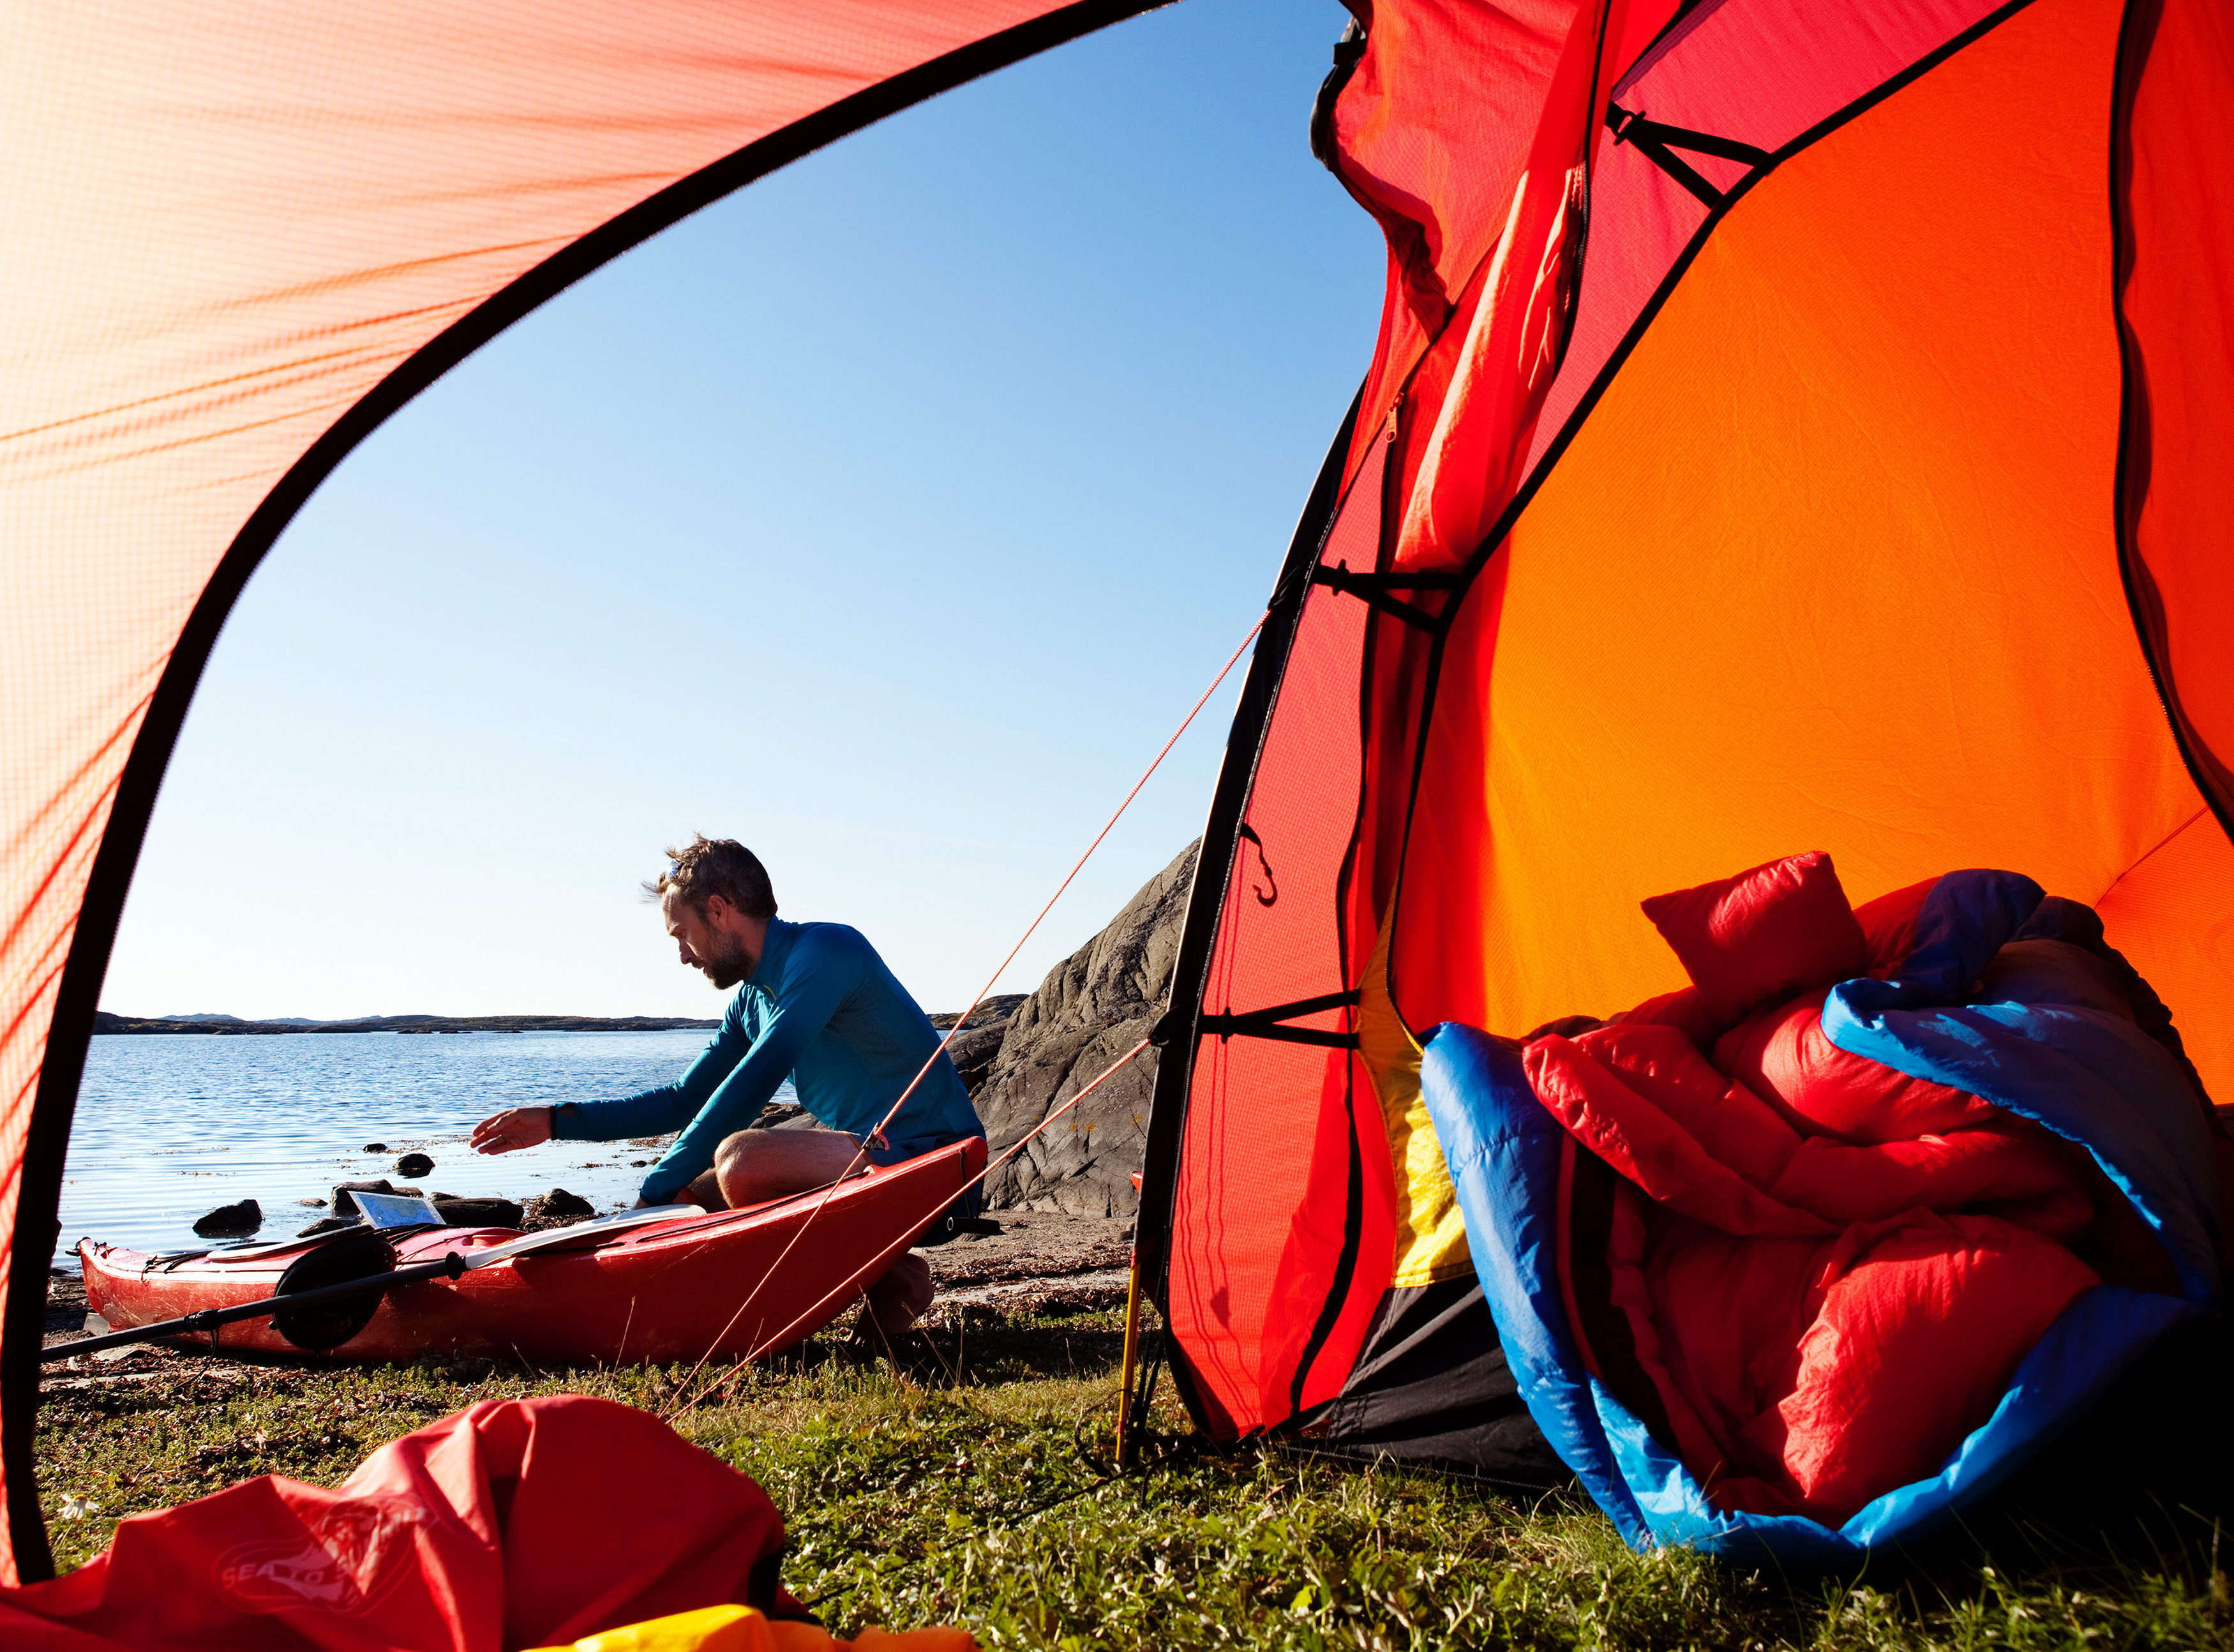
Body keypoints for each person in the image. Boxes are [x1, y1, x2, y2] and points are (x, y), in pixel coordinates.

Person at [470, 834, 984, 1334]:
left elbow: (756, 1080)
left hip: (939, 1164)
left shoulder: (827, 951)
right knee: (688, 1197)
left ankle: (891, 1279)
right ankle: (890, 1278)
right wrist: (556, 1122)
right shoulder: (750, 1003)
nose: (684, 955)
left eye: (682, 934)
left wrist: (648, 1194)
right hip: (868, 1162)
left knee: (741, 1161)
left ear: (718, 910)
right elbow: (682, 1100)